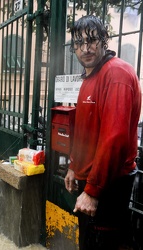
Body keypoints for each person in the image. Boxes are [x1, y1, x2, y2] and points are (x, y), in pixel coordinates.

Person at [64, 15, 141, 250]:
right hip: (90, 181)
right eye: (79, 43)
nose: (86, 48)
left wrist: (93, 192)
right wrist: (73, 166)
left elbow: (114, 138)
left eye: (92, 40)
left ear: (104, 40)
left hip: (109, 186)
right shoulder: (90, 77)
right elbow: (85, 132)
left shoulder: (116, 75)